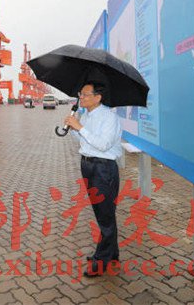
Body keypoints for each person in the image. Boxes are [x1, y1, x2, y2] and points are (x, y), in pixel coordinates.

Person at [65, 82, 122, 277]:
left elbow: (103, 144)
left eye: (85, 95)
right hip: (88, 165)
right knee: (102, 212)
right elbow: (85, 142)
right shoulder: (86, 115)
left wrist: (80, 127)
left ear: (98, 97)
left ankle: (101, 260)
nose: (81, 98)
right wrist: (73, 129)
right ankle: (112, 254)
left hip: (103, 168)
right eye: (80, 94)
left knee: (105, 215)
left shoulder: (109, 117)